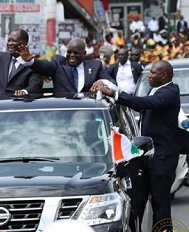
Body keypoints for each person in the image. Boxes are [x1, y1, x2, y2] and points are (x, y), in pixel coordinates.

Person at [93, 60, 181, 232]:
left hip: (162, 158)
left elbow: (144, 103)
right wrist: (109, 86)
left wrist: (113, 93)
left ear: (164, 75)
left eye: (154, 73)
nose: (150, 75)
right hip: (147, 157)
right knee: (140, 203)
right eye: (150, 72)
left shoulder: (170, 91)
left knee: (161, 206)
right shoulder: (155, 88)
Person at [21, 38, 116, 97]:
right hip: (64, 115)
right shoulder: (59, 62)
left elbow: (113, 83)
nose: (71, 55)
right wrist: (31, 61)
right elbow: (45, 66)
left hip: (88, 115)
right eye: (69, 52)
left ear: (84, 54)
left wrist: (102, 82)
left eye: (76, 53)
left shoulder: (95, 66)